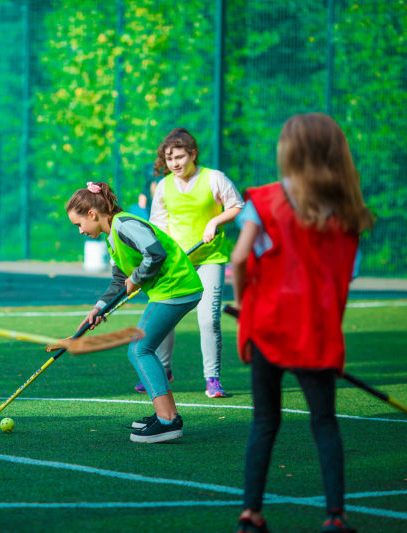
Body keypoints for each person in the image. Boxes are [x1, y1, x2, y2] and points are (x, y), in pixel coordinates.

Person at [231, 113, 374, 533]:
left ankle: (250, 513)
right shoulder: (346, 206)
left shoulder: (266, 199)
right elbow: (344, 274)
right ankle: (334, 516)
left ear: (288, 151)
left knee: (264, 421)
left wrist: (244, 304)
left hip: (268, 324)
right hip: (314, 328)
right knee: (324, 422)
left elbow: (240, 258)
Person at [67, 181, 203, 443]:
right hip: (171, 290)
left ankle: (167, 421)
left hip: (175, 288)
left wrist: (138, 278)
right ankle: (168, 415)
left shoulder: (125, 225)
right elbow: (120, 283)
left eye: (79, 224)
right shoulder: (112, 238)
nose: (80, 231)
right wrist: (99, 309)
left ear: (93, 214)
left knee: (139, 349)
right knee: (143, 349)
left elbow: (155, 253)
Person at [148, 128, 243, 398]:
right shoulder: (164, 186)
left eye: (180, 156)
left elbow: (237, 205)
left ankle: (212, 379)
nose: (175, 163)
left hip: (210, 259)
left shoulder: (214, 178)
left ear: (193, 154)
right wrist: (163, 257)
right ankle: (163, 370)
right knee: (164, 318)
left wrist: (214, 221)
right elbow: (158, 225)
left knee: (208, 320)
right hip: (178, 264)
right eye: (169, 159)